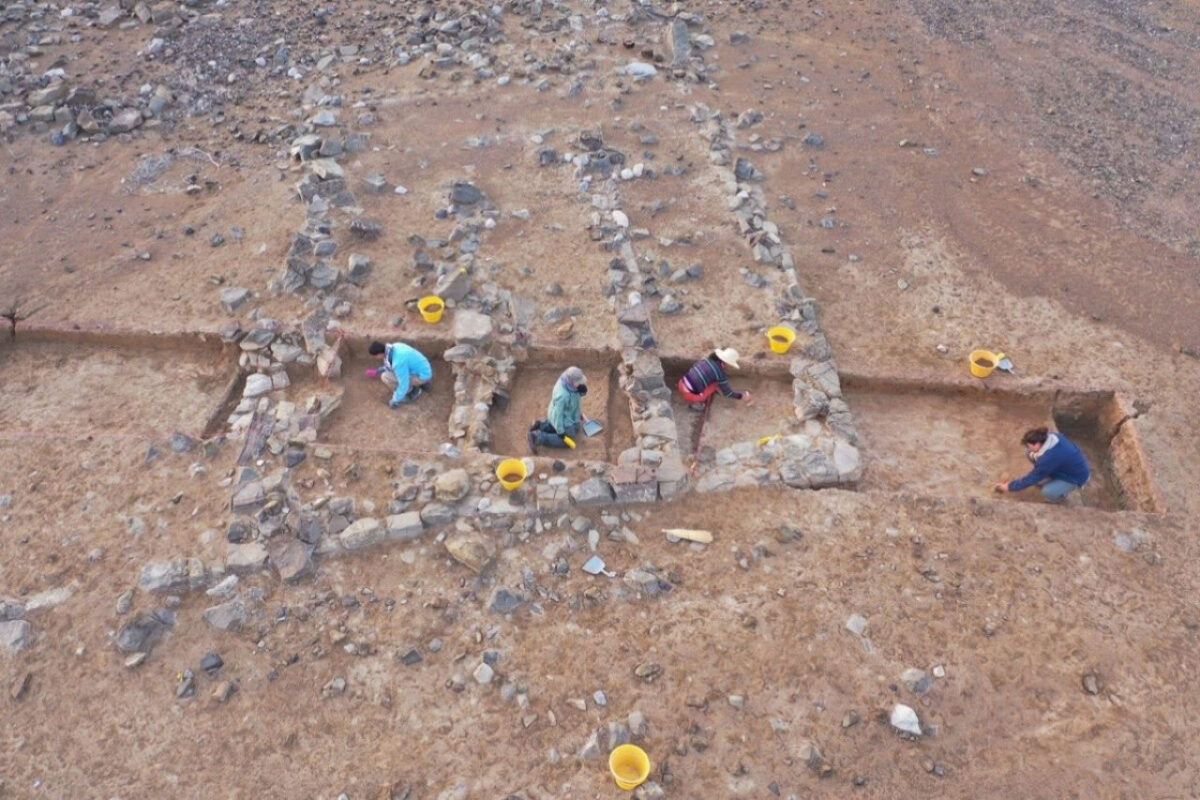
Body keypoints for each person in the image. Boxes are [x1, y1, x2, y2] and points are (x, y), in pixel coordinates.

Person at [994, 426, 1091, 503]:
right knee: (1029, 454)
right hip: (1063, 467)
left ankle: (1059, 496)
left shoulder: (1051, 458)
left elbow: (1032, 478)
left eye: (1029, 445)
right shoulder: (1051, 437)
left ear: (1037, 444)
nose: (1028, 447)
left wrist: (1009, 486)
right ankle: (1050, 476)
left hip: (1075, 477)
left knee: (1047, 492)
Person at [528, 366, 588, 454]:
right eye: (579, 383)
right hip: (561, 418)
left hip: (565, 414)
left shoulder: (566, 381)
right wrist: (560, 432)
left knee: (575, 427)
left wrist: (580, 393)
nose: (581, 384)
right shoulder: (563, 396)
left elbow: (573, 400)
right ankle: (537, 437)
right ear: (571, 382)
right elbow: (558, 414)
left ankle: (541, 425)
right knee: (569, 438)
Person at [677, 347, 754, 411]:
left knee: (711, 380)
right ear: (725, 363)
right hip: (690, 395)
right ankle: (695, 405)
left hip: (681, 383)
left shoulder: (705, 360)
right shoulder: (720, 374)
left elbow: (694, 368)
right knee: (716, 385)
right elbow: (728, 393)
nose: (729, 366)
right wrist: (742, 396)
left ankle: (694, 393)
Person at [365, 340, 433, 408]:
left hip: (422, 375)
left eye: (375, 356)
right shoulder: (395, 346)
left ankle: (413, 392)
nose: (376, 358)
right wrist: (378, 371)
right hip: (423, 368)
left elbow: (403, 384)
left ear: (380, 354)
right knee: (398, 371)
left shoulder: (398, 362)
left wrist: (395, 400)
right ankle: (422, 383)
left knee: (385, 377)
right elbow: (391, 365)